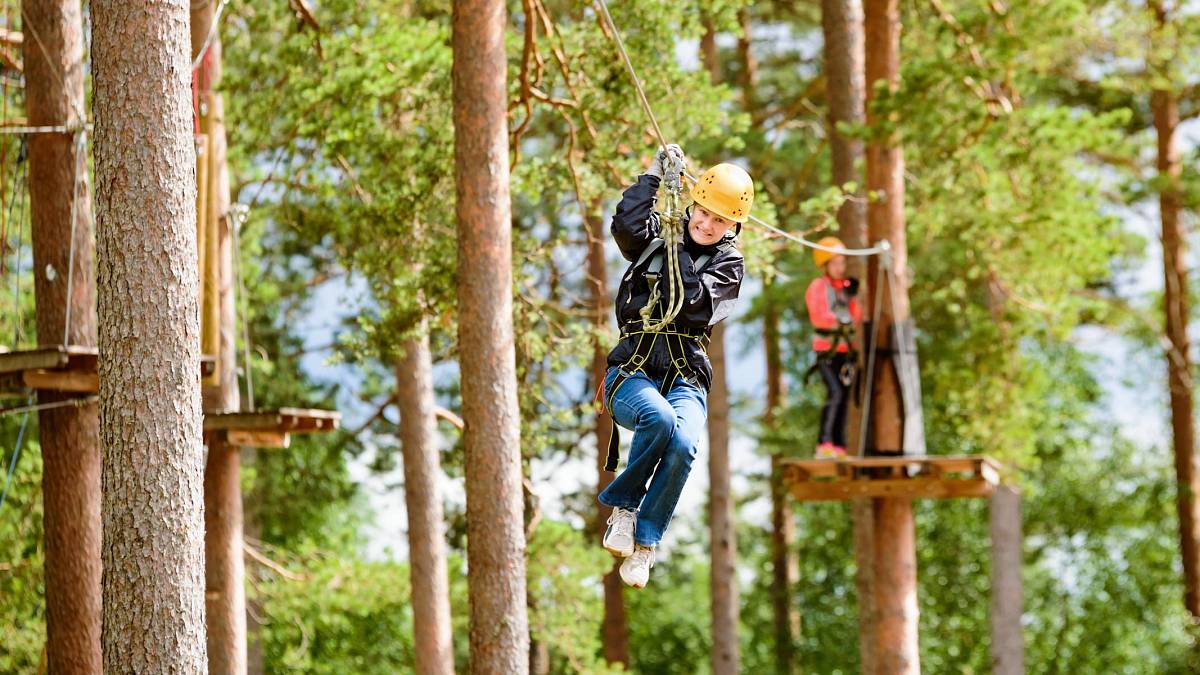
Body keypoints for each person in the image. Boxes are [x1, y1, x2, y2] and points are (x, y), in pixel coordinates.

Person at [598, 144, 750, 588]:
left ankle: (645, 543)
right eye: (701, 212)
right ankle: (624, 510)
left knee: (682, 441)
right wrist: (652, 179)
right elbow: (625, 225)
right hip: (632, 371)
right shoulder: (653, 237)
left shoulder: (728, 264)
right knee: (658, 418)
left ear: (733, 226)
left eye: (718, 220)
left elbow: (695, 307)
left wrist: (674, 245)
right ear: (691, 203)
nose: (706, 224)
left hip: (685, 375)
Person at [805, 237, 861, 458]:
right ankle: (824, 443)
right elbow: (819, 317)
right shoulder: (818, 287)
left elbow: (856, 317)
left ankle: (839, 446)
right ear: (826, 264)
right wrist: (841, 320)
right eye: (836, 263)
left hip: (845, 352)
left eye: (842, 263)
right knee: (835, 393)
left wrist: (854, 298)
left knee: (845, 396)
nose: (841, 268)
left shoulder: (844, 289)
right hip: (826, 350)